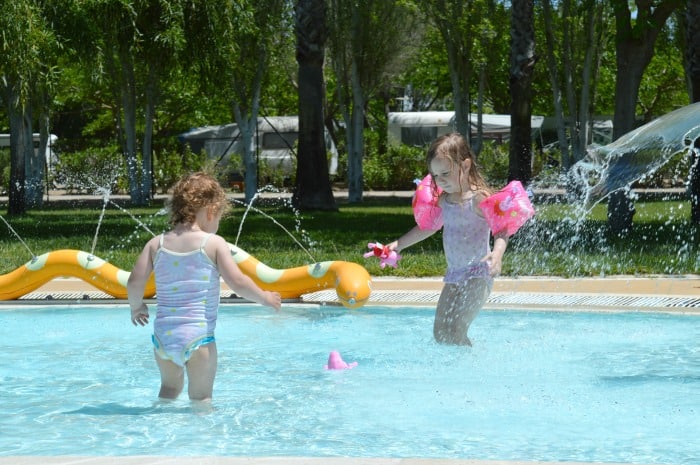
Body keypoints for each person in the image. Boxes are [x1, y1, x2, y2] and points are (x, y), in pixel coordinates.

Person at [128, 172, 282, 402]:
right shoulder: (213, 243)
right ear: (210, 211)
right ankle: (201, 439)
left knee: (168, 391)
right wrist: (265, 298)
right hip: (198, 338)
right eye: (219, 217)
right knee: (201, 398)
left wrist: (136, 307)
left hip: (163, 339)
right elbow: (238, 283)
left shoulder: (156, 244)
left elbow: (134, 282)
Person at [387, 133, 508, 346]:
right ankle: (455, 368)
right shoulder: (444, 200)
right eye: (435, 175)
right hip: (454, 275)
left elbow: (501, 229)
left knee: (458, 326)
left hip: (479, 274)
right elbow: (428, 228)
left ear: (465, 165)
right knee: (441, 331)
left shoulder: (479, 198)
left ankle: (469, 369)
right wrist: (399, 245)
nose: (440, 180)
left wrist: (497, 255)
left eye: (445, 173)